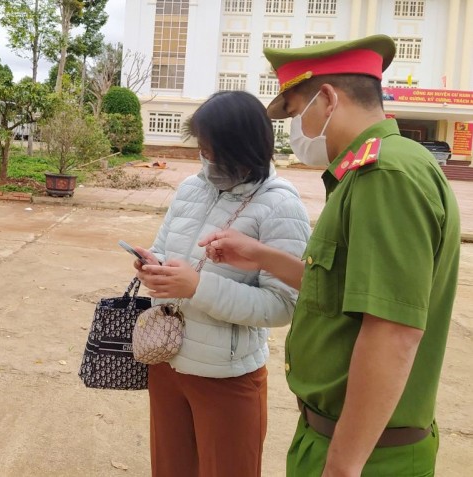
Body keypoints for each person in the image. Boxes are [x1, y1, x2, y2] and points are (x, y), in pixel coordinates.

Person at [199, 35, 460, 476]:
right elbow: (345, 288)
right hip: (334, 437)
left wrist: (341, 466)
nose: (294, 128)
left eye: (296, 112)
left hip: (368, 455)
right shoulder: (363, 174)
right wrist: (263, 255)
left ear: (327, 98)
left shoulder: (386, 175)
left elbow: (392, 332)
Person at [132, 90, 311, 477]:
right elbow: (164, 247)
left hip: (225, 376)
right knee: (170, 468)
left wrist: (197, 287)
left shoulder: (281, 206)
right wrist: (153, 267)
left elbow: (283, 305)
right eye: (203, 148)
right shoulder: (191, 189)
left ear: (244, 148)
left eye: (214, 150)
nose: (206, 158)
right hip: (167, 360)